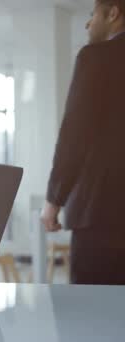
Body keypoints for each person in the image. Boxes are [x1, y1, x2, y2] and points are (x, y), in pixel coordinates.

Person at [41, 0, 125, 285]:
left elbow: (75, 135)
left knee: (94, 316)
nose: (89, 23)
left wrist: (54, 200)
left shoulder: (96, 57)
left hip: (101, 215)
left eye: (93, 15)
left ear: (113, 13)